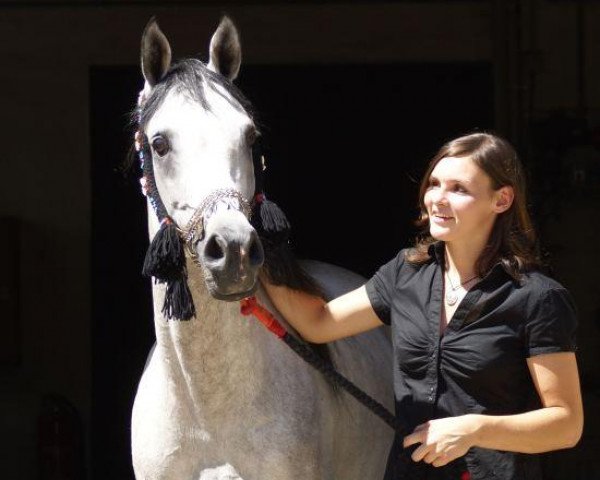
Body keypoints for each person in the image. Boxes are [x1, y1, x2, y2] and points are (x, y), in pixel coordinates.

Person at [261, 132, 583, 480]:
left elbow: (565, 424)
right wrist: (261, 254)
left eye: (459, 189)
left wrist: (474, 429)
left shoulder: (536, 298)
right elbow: (318, 322)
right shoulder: (407, 273)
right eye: (434, 184)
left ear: (501, 200)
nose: (438, 199)